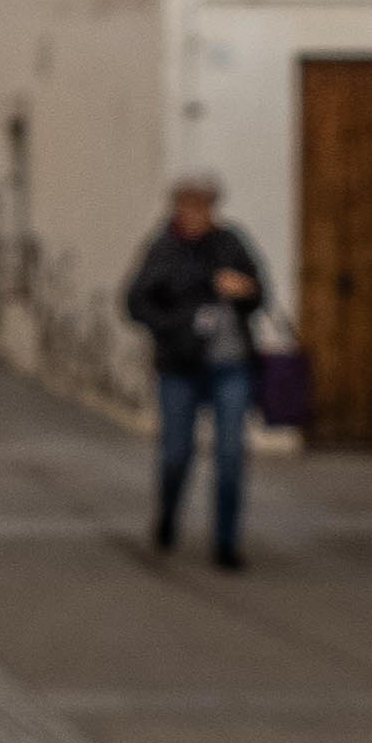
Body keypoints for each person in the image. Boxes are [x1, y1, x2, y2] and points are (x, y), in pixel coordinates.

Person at [121, 171, 270, 569]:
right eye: (188, 207)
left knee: (230, 454)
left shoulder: (231, 242)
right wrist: (180, 322)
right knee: (176, 454)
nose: (195, 215)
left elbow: (260, 293)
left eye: (203, 207)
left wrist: (245, 292)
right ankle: (168, 517)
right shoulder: (163, 250)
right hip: (181, 366)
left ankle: (226, 542)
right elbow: (136, 303)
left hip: (231, 365)